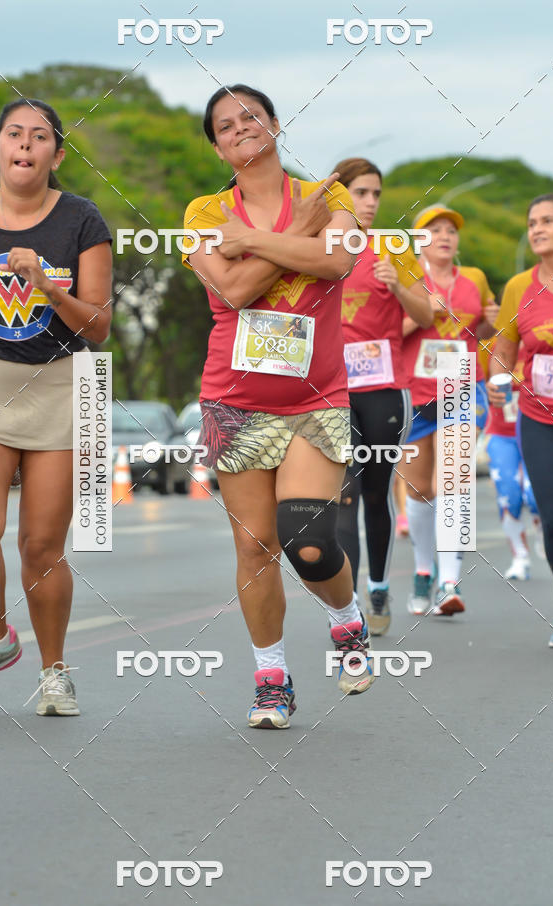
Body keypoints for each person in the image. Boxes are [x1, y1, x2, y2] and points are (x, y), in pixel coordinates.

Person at [182, 84, 375, 729]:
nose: (241, 129)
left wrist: (255, 242)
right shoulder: (205, 212)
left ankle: (347, 621)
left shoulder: (329, 197)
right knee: (254, 544)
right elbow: (232, 290)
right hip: (234, 400)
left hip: (315, 398)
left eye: (251, 117)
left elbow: (338, 264)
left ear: (274, 124)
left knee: (310, 541)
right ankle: (272, 679)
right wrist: (296, 239)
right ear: (217, 146)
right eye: (226, 126)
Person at [0, 99, 113, 713]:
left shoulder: (81, 220)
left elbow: (100, 326)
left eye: (39, 138)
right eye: (14, 135)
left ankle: (55, 671)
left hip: (60, 387)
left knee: (39, 545)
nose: (25, 145)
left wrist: (49, 287)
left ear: (56, 156)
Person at [333, 157, 433, 636]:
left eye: (376, 194)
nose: (370, 202)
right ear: (339, 195)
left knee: (375, 493)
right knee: (345, 493)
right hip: (332, 391)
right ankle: (350, 603)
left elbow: (428, 315)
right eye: (361, 193)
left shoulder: (393, 249)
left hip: (383, 390)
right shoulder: (320, 248)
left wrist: (399, 287)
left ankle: (377, 585)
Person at [401, 205, 499, 616]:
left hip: (459, 380)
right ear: (418, 238)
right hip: (413, 389)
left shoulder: (474, 278)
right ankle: (424, 572)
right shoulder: (406, 277)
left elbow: (484, 330)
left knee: (454, 483)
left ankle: (449, 581)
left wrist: (491, 325)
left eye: (450, 231)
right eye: (434, 229)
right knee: (418, 489)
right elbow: (383, 331)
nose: (444, 236)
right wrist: (426, 312)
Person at [489, 193, 553, 648]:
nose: (537, 228)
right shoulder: (520, 286)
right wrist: (497, 378)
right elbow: (504, 346)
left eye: (547, 221)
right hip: (540, 415)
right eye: (531, 222)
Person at [480, 337, 544, 580]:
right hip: (501, 434)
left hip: (536, 430)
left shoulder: (541, 341)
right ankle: (520, 556)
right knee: (509, 494)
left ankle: (544, 530)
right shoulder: (490, 345)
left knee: (534, 493)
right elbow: (474, 380)